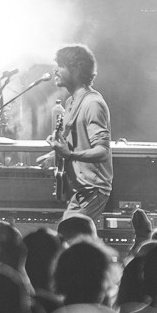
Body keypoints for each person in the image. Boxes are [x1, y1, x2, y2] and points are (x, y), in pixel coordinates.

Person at [46, 45, 112, 225]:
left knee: (68, 233)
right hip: (80, 191)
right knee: (70, 235)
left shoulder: (92, 104)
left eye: (61, 65)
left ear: (76, 69)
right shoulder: (71, 102)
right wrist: (54, 155)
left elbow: (102, 151)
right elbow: (75, 144)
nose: (55, 70)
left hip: (94, 190)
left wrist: (69, 155)